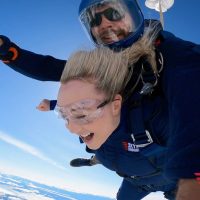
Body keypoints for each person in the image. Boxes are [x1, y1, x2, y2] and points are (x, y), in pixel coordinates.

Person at [0, 0, 200, 198]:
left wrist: (193, 179)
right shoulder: (100, 68)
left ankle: (94, 160)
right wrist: (7, 51)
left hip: (173, 182)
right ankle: (96, 159)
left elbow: (191, 103)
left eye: (114, 13)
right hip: (132, 179)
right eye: (95, 19)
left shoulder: (174, 57)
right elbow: (52, 70)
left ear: (135, 14)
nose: (104, 24)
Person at [55, 37, 179, 199]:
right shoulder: (96, 126)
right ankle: (93, 160)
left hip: (173, 182)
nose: (71, 129)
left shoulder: (156, 120)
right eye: (63, 115)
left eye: (81, 115)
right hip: (133, 183)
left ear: (115, 105)